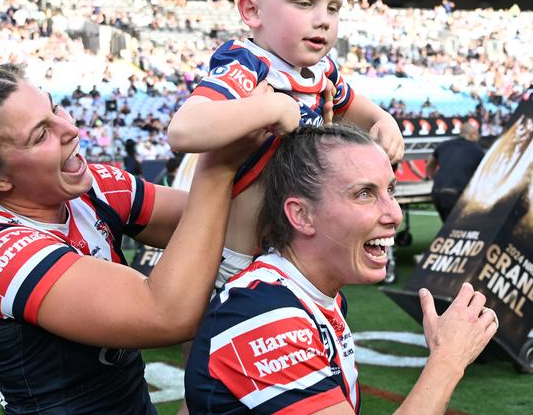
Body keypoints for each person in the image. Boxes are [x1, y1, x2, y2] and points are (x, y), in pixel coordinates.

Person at [0, 65, 256, 413]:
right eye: (41, 134)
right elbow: (167, 313)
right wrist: (217, 164)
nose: (70, 129)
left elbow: (222, 221)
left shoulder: (89, 189)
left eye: (55, 109)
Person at [185, 125, 498, 413]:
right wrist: (448, 359)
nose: (394, 214)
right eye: (364, 194)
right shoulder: (265, 316)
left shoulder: (316, 295)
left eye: (391, 190)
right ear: (302, 215)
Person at [167, 0, 403, 305]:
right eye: (304, 3)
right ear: (252, 11)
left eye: (333, 7)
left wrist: (383, 121)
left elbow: (352, 104)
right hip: (238, 257)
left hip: (290, 250)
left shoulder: (321, 68)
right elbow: (184, 130)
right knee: (218, 341)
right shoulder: (246, 64)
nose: (323, 20)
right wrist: (269, 107)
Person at [426, 122, 485, 221]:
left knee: (448, 226)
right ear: (473, 134)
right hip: (456, 194)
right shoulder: (477, 150)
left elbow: (429, 165)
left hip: (437, 192)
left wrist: (435, 179)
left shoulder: (443, 145)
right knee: (461, 227)